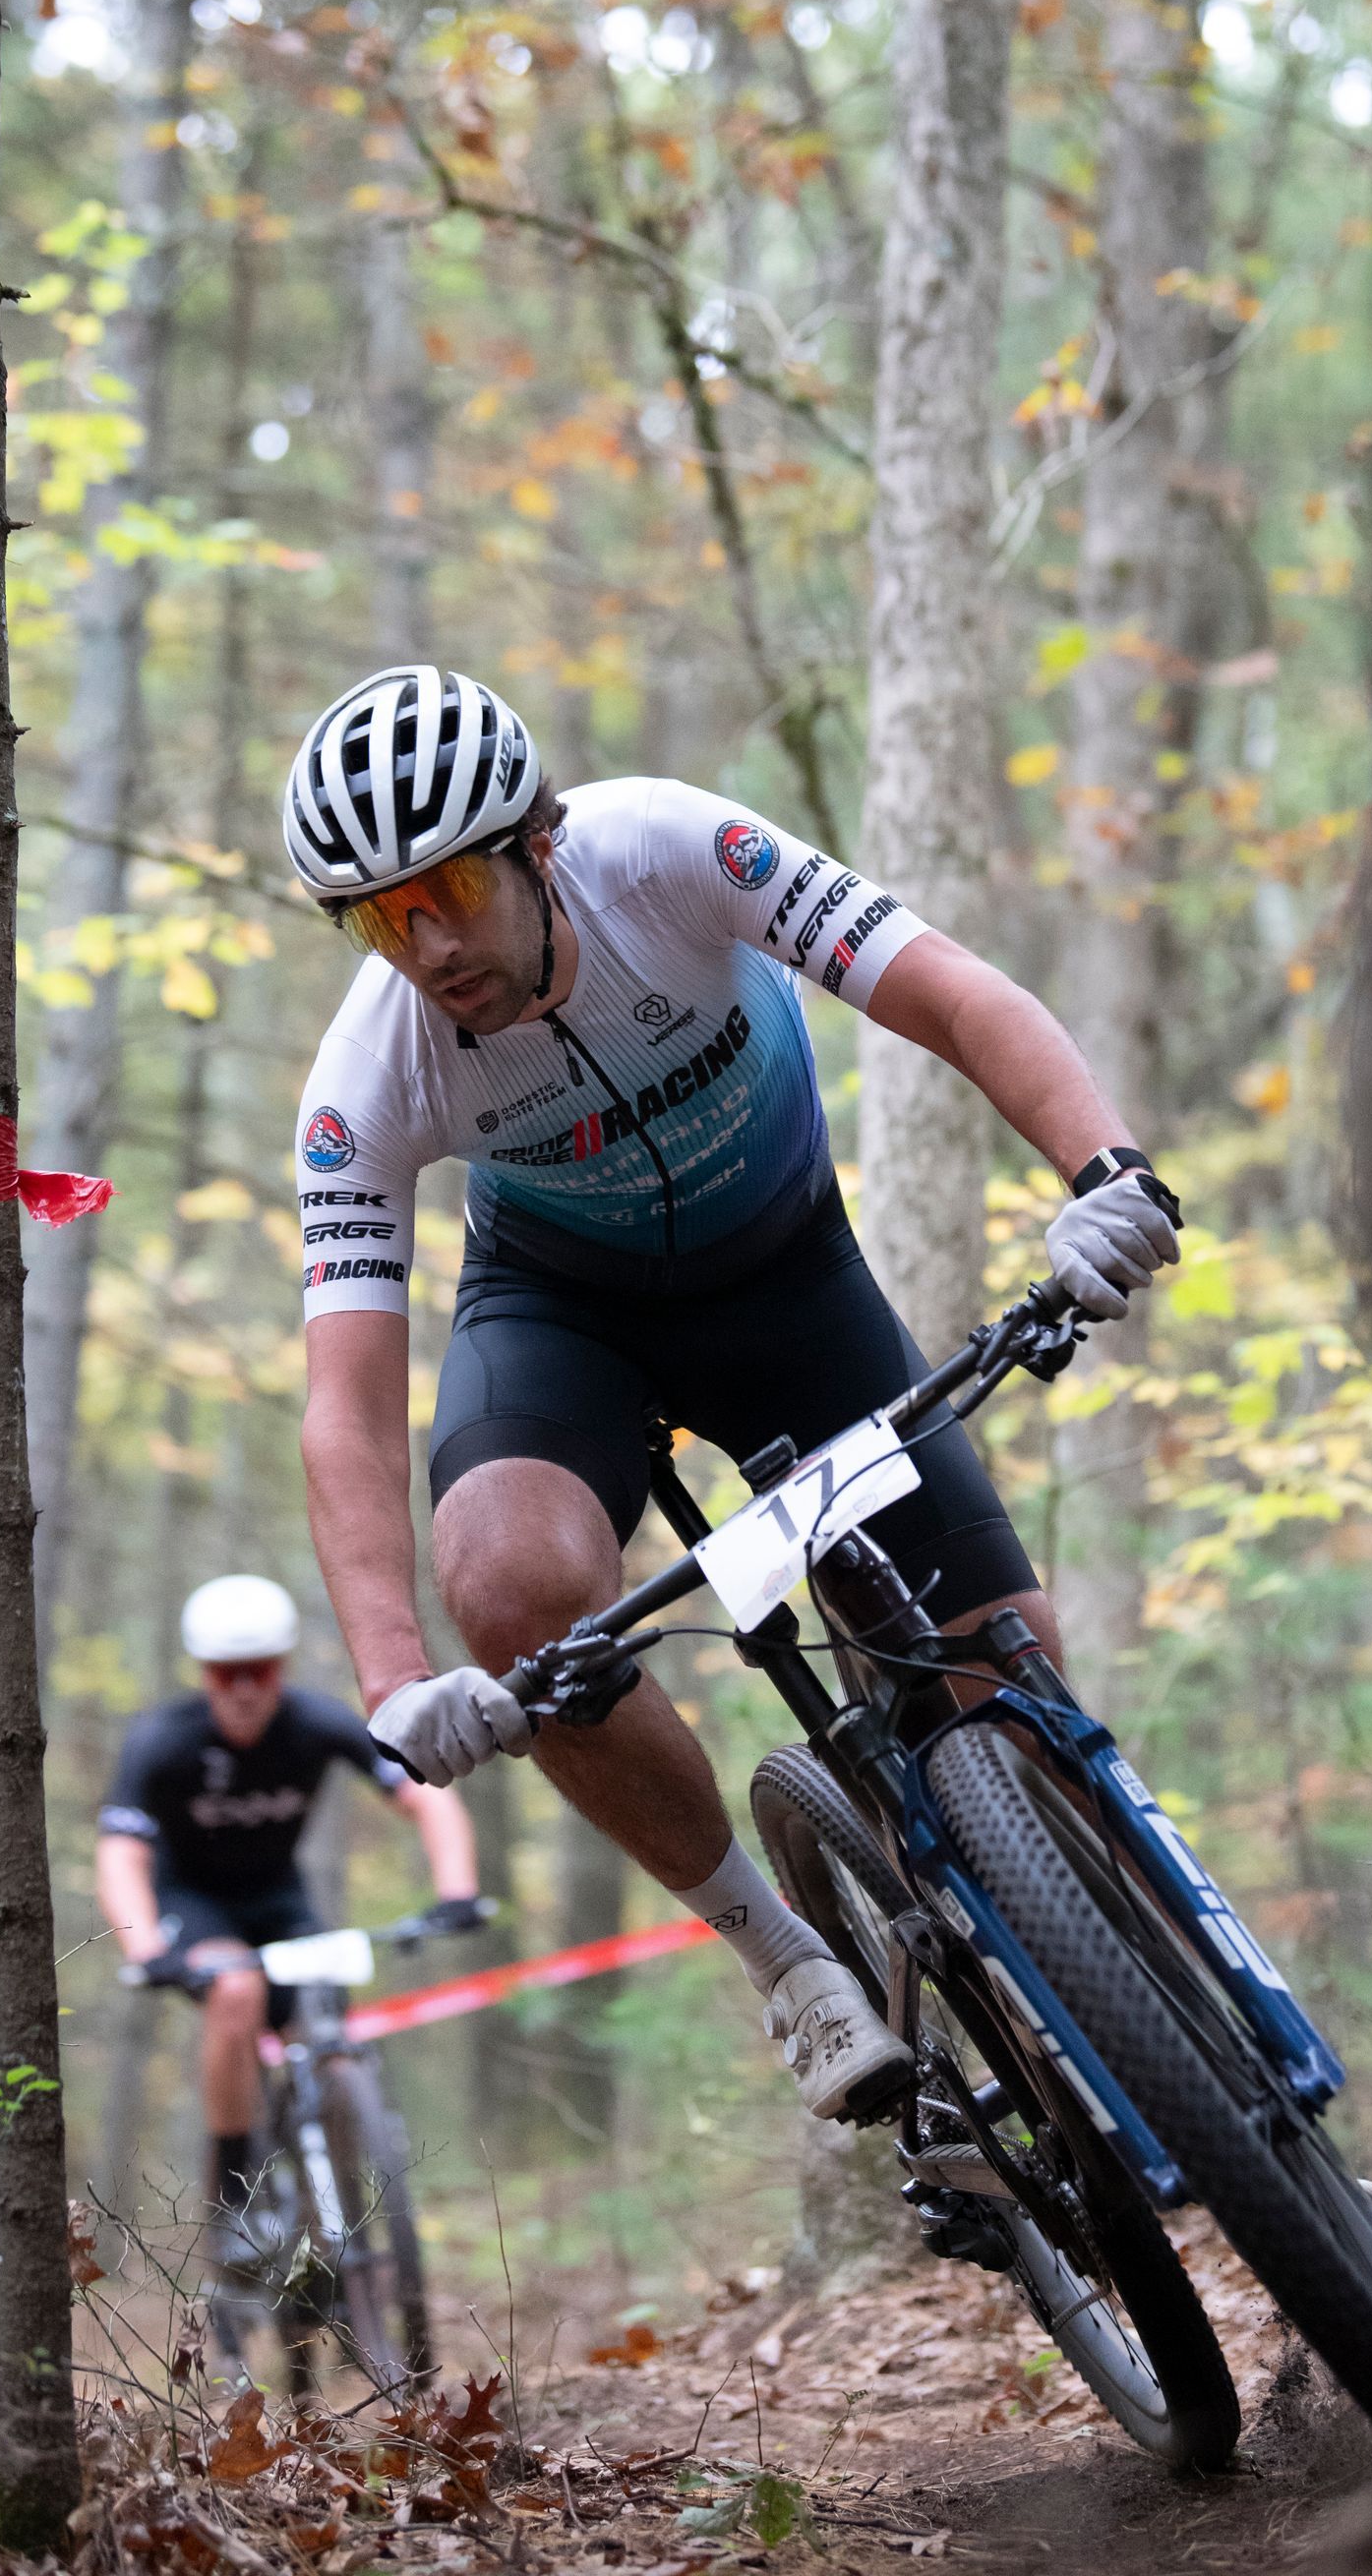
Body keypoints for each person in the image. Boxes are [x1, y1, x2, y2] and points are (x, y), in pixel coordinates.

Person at [287, 666, 1180, 2127]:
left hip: (791, 1294)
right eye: (383, 917)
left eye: (447, 886)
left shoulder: (670, 852)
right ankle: (786, 1960)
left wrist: (1104, 1173)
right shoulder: (365, 1079)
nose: (429, 943)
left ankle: (1193, 2063)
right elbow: (346, 1406)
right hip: (566, 1327)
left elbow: (952, 996)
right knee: (508, 1587)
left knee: (1011, 1691)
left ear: (538, 840)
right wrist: (393, 1679)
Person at [95, 1571, 483, 2258]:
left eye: (260, 1671)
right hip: (195, 1906)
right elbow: (122, 1853)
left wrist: (456, 1892)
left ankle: (332, 2186)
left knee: (324, 2018)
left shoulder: (316, 1722)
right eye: (225, 1674)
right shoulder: (163, 1741)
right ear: (204, 1674)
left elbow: (423, 1794)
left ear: (283, 1668)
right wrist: (144, 1946)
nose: (244, 1689)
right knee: (237, 1992)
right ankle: (234, 2194)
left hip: (281, 1901)